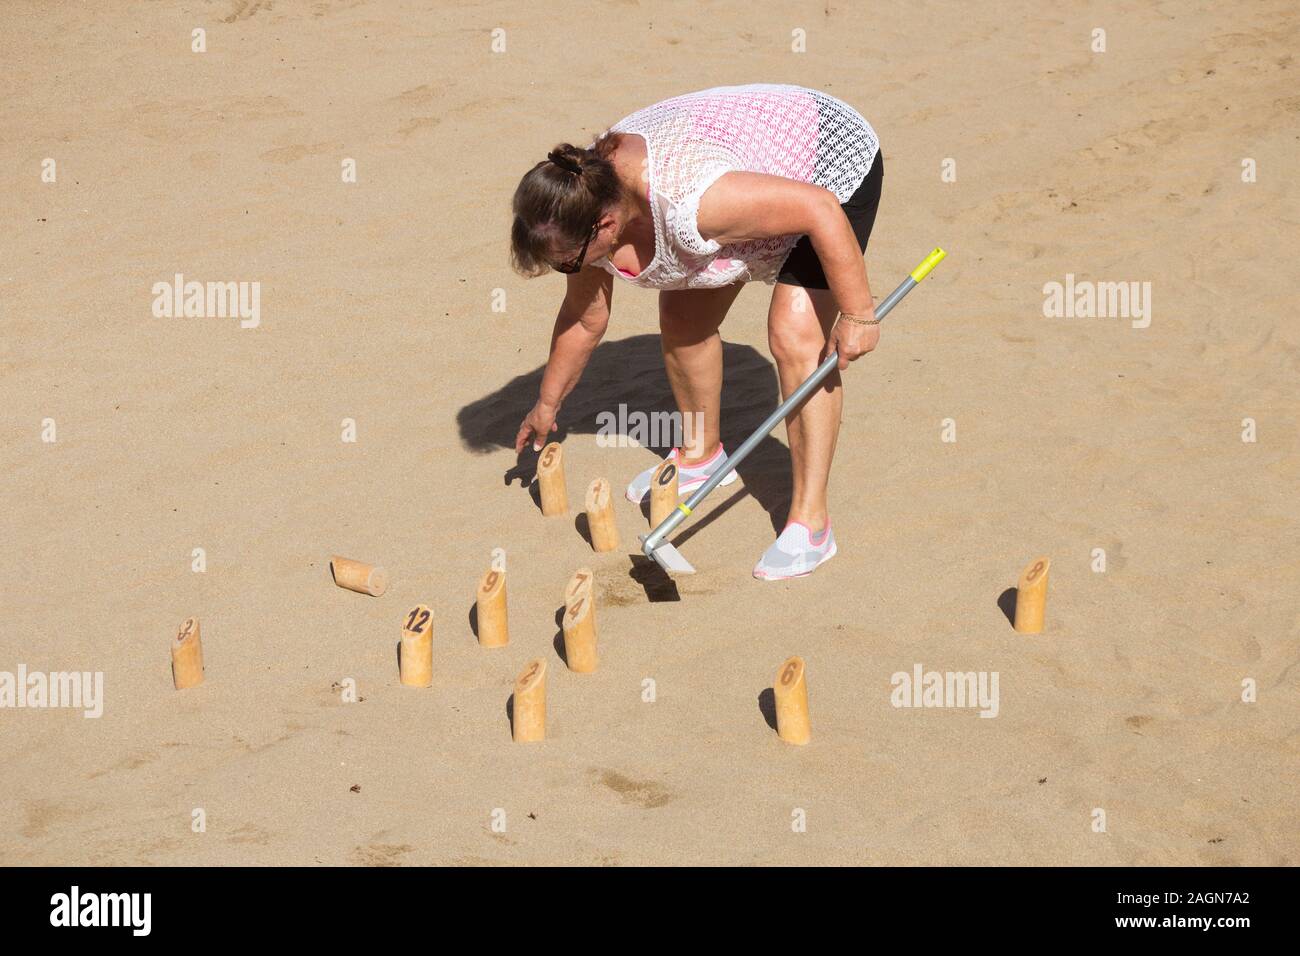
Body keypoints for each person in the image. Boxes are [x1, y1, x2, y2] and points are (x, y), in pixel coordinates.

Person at [509, 83, 883, 580]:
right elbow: (584, 316)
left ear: (604, 226)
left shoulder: (692, 200)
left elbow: (818, 209)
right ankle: (700, 456)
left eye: (569, 263)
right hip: (750, 170)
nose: (569, 271)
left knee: (794, 335)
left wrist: (858, 315)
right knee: (685, 321)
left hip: (829, 165)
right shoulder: (578, 200)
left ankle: (811, 525)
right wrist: (548, 404)